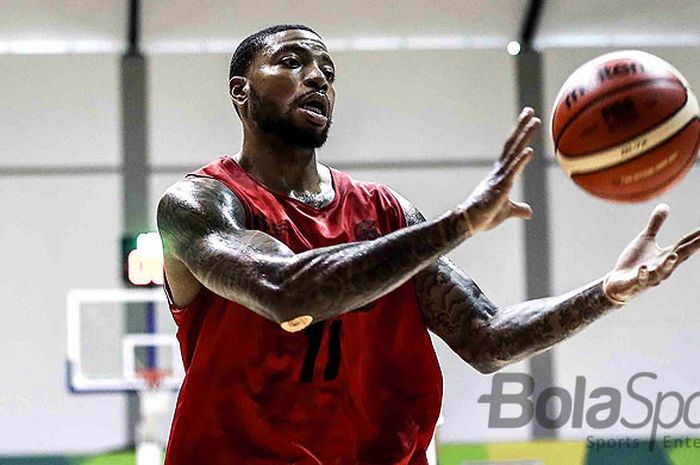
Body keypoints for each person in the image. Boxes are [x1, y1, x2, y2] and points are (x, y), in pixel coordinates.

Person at [156, 24, 700, 465]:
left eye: (327, 69)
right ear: (240, 90)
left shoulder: (385, 212)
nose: (317, 77)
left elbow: (486, 338)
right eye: (293, 62)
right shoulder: (200, 204)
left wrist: (607, 292)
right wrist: (458, 224)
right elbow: (283, 290)